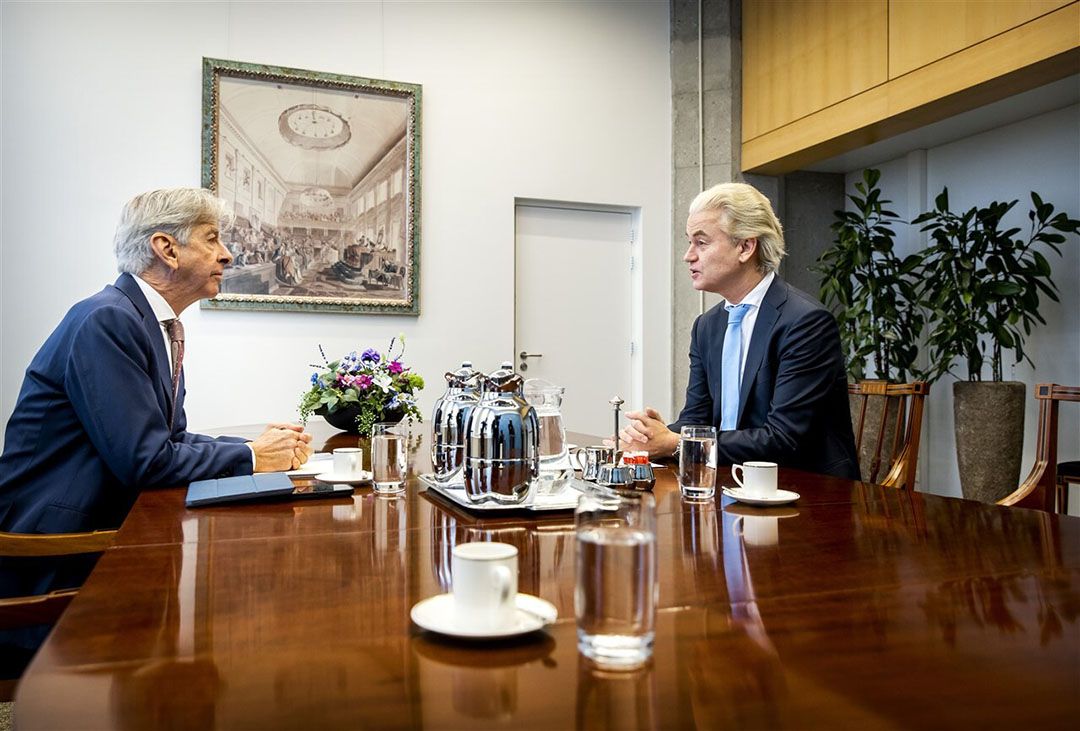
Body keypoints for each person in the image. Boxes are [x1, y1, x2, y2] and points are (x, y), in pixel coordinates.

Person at [0, 188, 314, 536]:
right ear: (167, 249)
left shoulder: (147, 320)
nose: (226, 255)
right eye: (212, 239)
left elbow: (171, 438)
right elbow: (146, 462)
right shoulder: (108, 319)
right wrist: (254, 456)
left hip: (107, 522)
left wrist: (254, 446)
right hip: (56, 539)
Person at [619, 182, 859, 479]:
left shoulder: (806, 322)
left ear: (746, 247)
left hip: (808, 494)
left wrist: (675, 444)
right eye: (689, 242)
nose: (688, 255)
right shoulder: (707, 326)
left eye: (701, 242)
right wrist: (652, 437)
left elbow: (783, 438)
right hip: (729, 483)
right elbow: (697, 419)